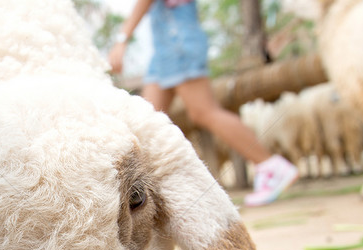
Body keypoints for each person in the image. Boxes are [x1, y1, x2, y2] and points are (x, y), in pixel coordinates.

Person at [108, 0, 298, 206]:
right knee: (143, 120)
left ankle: (271, 166)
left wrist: (122, 39)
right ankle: (144, 194)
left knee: (204, 112)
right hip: (165, 45)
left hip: (178, 40)